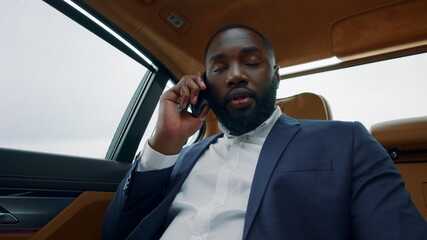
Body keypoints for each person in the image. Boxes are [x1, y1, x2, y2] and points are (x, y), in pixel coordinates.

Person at [102, 24, 427, 240]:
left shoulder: (346, 141)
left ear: (276, 75)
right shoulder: (181, 158)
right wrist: (165, 143)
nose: (235, 75)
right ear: (204, 85)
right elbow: (118, 232)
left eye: (252, 62)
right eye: (219, 68)